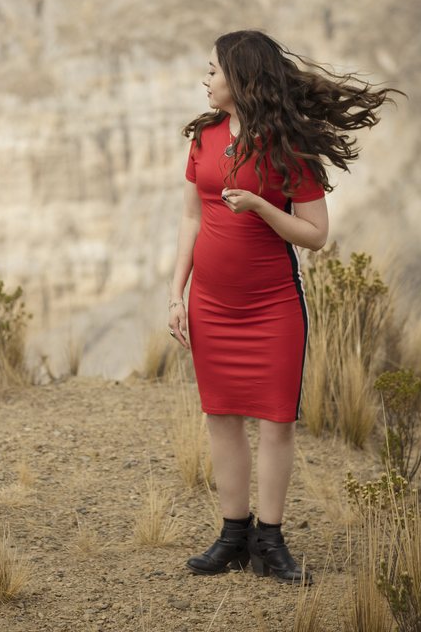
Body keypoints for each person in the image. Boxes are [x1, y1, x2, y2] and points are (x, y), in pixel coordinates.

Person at [167, 30, 397, 585]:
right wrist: (176, 293)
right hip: (211, 306)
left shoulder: (290, 148)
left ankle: (270, 541)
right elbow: (191, 219)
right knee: (221, 419)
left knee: (276, 425)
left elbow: (315, 235)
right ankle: (233, 535)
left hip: (272, 308)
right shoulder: (204, 137)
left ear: (241, 80)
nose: (205, 78)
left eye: (213, 70)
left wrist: (259, 207)